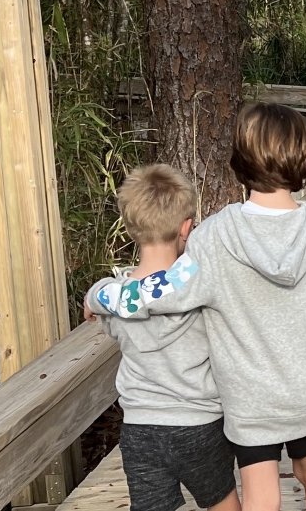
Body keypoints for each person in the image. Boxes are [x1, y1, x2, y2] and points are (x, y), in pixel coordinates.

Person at [88, 103, 306, 511]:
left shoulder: (214, 237)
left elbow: (158, 293)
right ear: (305, 156)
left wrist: (101, 295)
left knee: (262, 493)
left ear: (240, 160)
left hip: (249, 402)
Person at [85, 164, 240, 511]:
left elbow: (110, 314)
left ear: (130, 228)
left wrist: (95, 293)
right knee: (223, 504)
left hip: (140, 429)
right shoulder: (196, 283)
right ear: (186, 228)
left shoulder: (116, 298)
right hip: (199, 424)